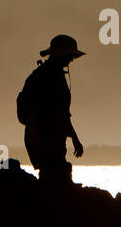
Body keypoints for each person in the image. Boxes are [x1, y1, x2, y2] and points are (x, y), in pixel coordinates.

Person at [18, 34, 85, 184]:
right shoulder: (49, 77)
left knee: (52, 176)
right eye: (70, 55)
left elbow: (61, 114)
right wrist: (74, 138)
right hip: (46, 140)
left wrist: (73, 137)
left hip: (44, 138)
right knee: (55, 177)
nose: (72, 59)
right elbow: (60, 113)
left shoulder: (45, 75)